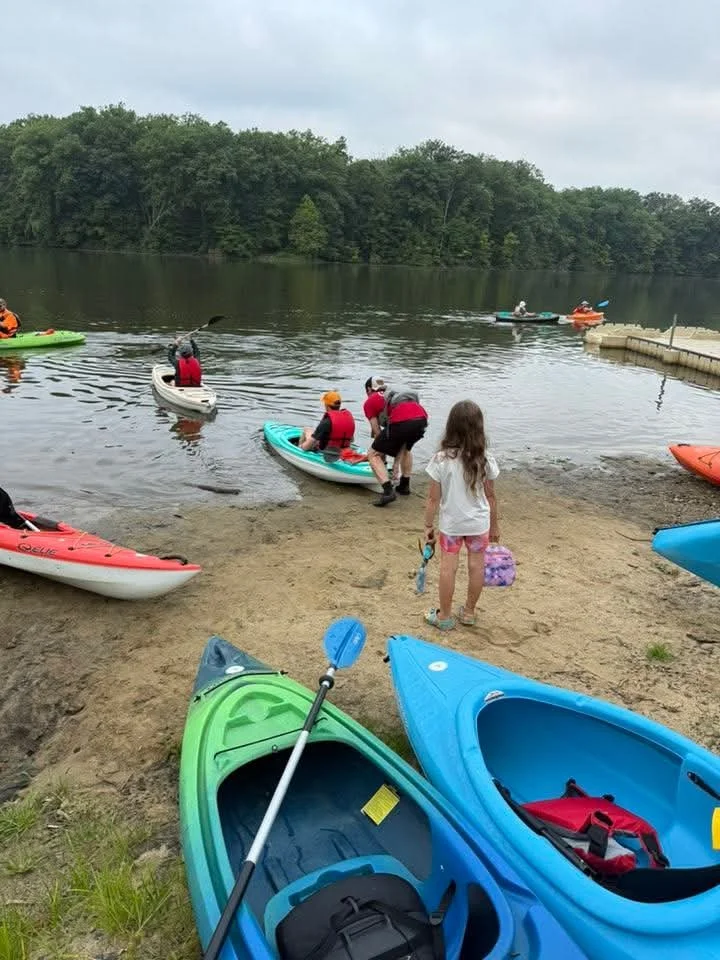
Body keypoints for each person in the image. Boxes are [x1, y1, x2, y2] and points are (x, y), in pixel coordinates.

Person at [422, 400, 500, 631]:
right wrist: (495, 526)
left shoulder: (441, 459)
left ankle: (444, 616)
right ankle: (468, 612)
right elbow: (492, 496)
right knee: (477, 566)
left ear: (451, 426)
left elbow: (433, 499)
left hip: (452, 525)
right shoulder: (485, 458)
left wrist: (428, 526)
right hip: (479, 524)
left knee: (448, 568)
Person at [368, 387, 428, 506]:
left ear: (368, 391)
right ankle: (404, 486)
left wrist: (382, 456)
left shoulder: (368, 403)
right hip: (422, 419)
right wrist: (395, 463)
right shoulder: (400, 395)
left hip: (402, 420)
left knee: (372, 454)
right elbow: (402, 441)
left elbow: (377, 431)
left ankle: (388, 491)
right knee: (406, 449)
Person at [299, 391, 355, 456]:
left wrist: (302, 447)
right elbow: (352, 440)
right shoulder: (347, 418)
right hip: (344, 449)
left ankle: (298, 450)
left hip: (327, 451)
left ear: (326, 405)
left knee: (307, 430)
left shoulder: (326, 422)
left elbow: (308, 446)